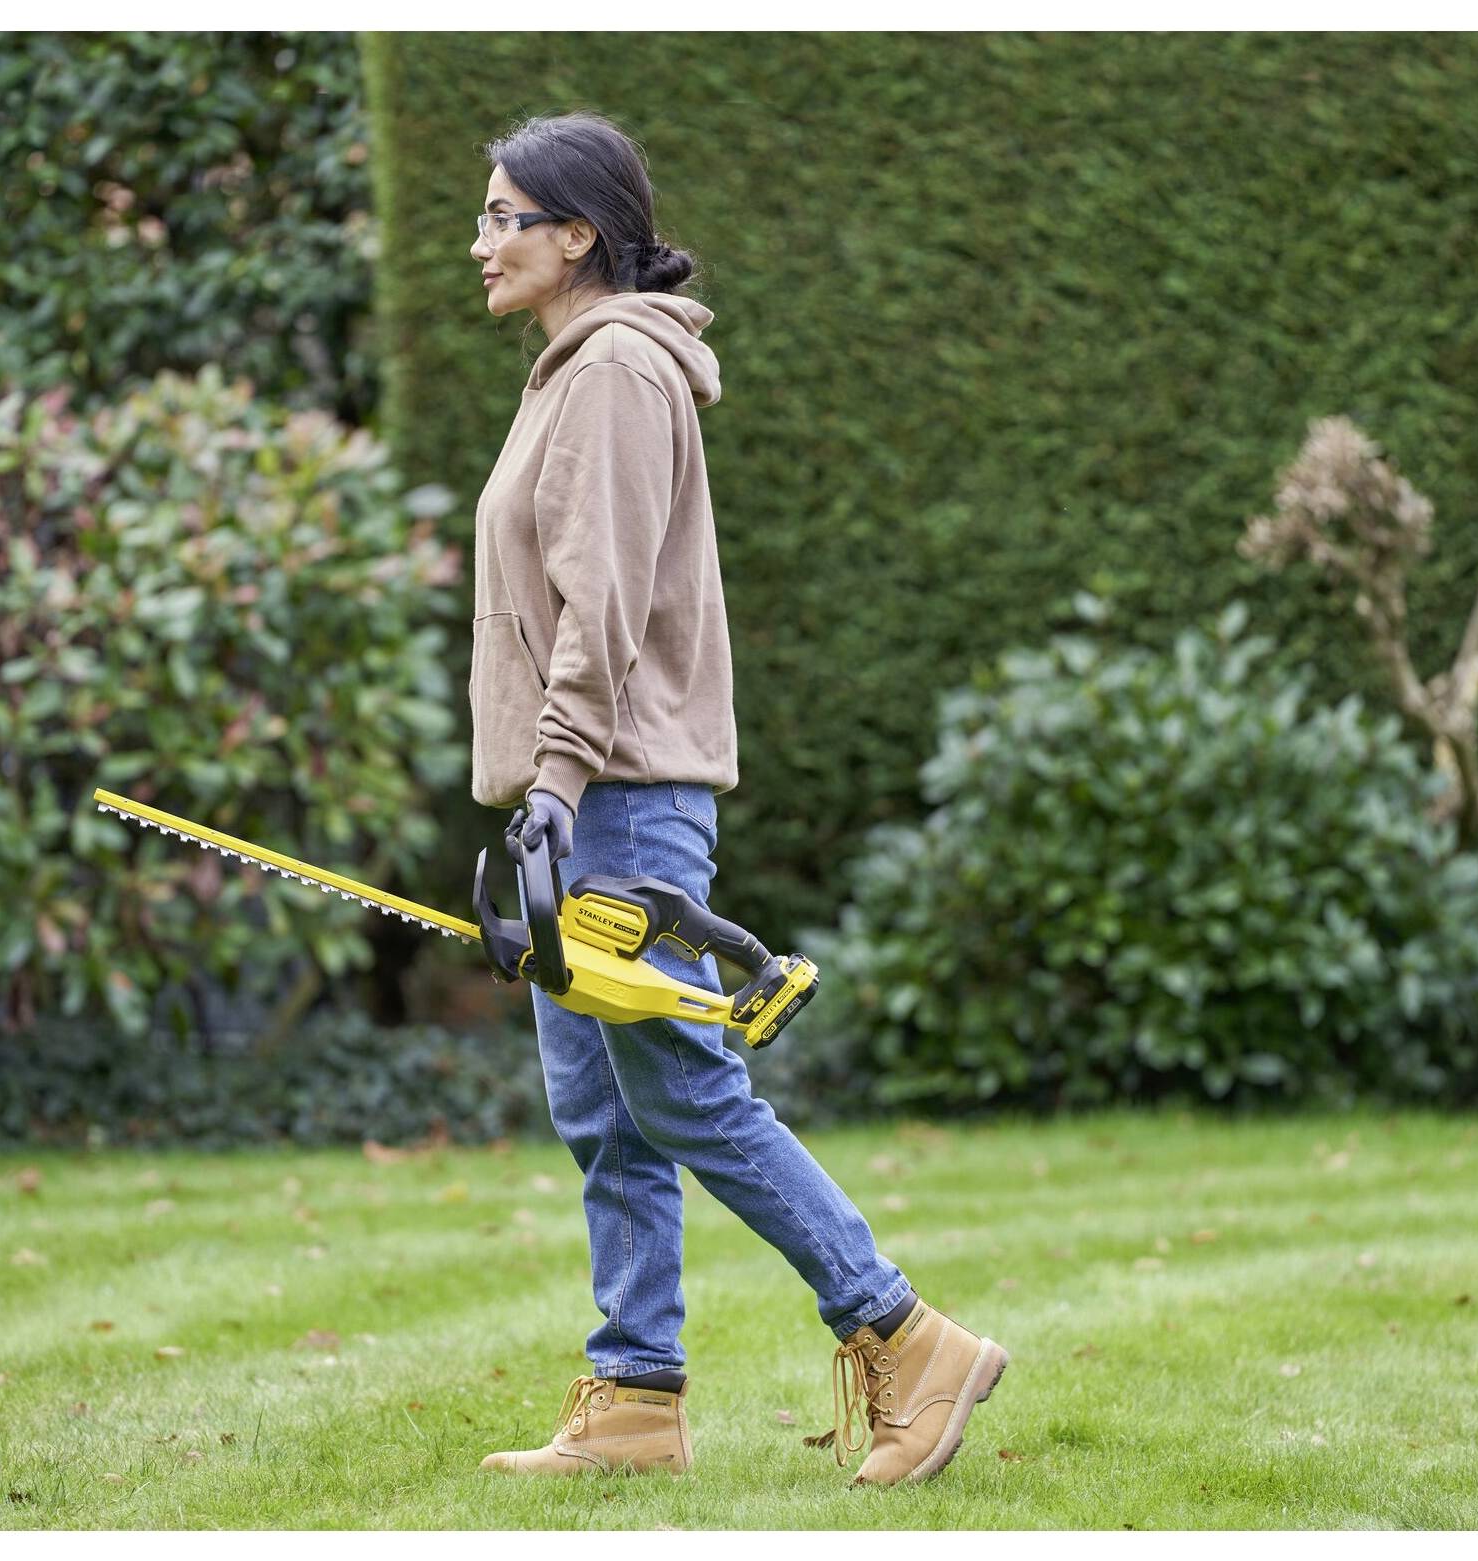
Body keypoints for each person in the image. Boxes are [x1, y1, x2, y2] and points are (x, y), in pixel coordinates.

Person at [464, 111, 1008, 1487]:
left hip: (619, 795)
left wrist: (556, 783)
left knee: (689, 1096)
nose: (479, 244)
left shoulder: (612, 373)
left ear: (577, 234)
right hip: (588, 790)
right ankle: (635, 1397)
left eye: (503, 218)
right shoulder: (572, 370)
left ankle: (905, 1335)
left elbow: (602, 602)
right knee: (606, 1117)